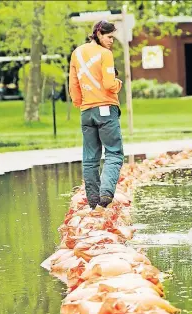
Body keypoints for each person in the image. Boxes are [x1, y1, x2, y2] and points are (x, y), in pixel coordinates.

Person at [69, 20, 124, 209]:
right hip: (106, 109)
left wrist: (81, 104)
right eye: (109, 37)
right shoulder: (105, 54)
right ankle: (106, 194)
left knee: (90, 158)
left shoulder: (76, 53)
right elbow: (109, 85)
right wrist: (118, 84)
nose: (111, 42)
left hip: (86, 111)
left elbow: (74, 86)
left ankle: (93, 203)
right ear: (99, 33)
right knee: (114, 153)